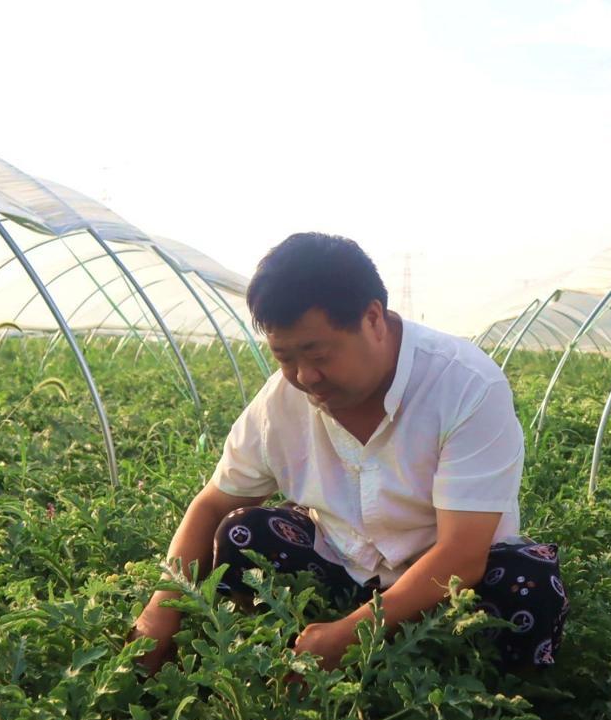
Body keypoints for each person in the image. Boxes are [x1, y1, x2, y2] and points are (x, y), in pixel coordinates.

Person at [129, 233, 567, 677]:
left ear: (373, 318)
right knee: (242, 533)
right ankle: (282, 649)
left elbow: (461, 555)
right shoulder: (279, 404)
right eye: (284, 358)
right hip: (341, 567)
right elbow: (211, 505)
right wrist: (160, 610)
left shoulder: (466, 385)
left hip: (444, 586)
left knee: (526, 590)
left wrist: (348, 636)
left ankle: (480, 701)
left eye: (318, 355)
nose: (305, 376)